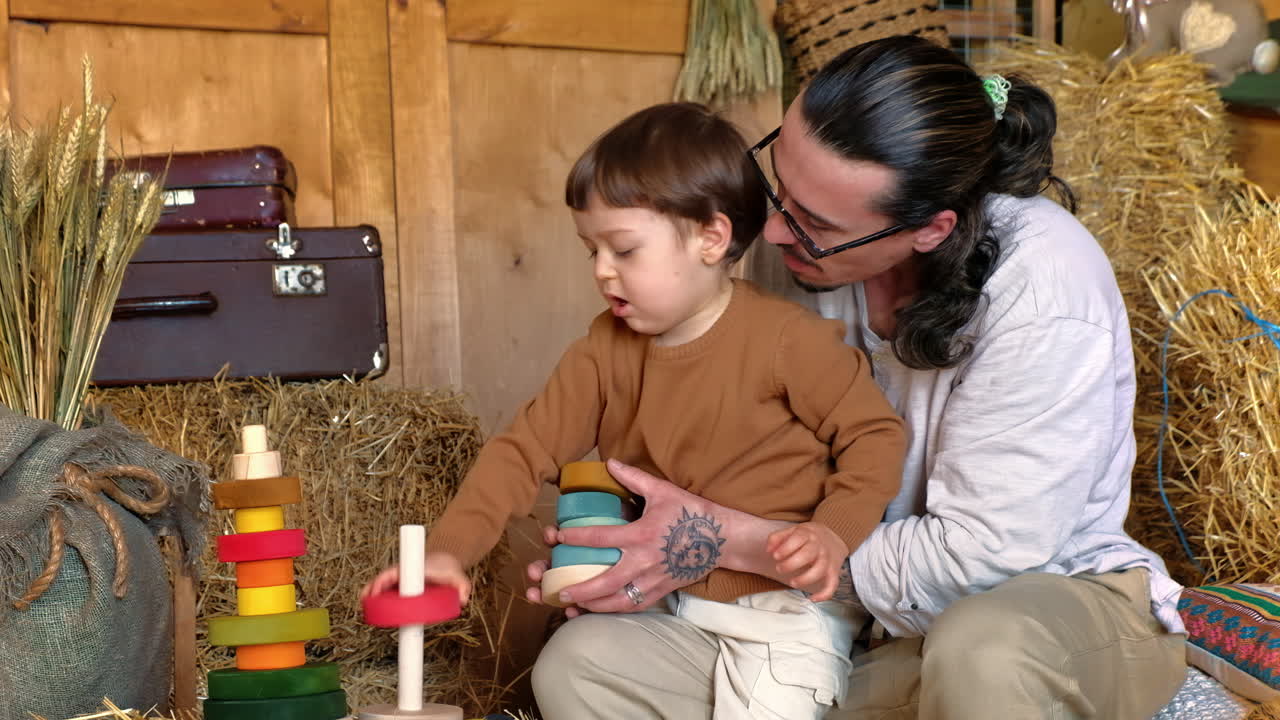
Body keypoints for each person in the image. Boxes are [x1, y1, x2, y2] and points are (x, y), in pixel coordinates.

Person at [527, 35, 1188, 720]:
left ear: (931, 230)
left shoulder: (1046, 288)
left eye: (813, 223)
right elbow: (747, 454)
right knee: (585, 664)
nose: (777, 233)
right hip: (845, 620)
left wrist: (724, 543)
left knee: (983, 652)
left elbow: (983, 559)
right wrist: (629, 546)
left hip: (1039, 611)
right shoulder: (798, 250)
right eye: (777, 181)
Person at [361, 102, 908, 719]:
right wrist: (446, 553)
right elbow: (521, 451)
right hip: (666, 607)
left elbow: (875, 436)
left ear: (711, 236)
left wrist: (830, 531)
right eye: (589, 250)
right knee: (568, 662)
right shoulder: (604, 350)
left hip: (782, 617)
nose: (600, 271)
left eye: (623, 250)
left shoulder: (788, 340)